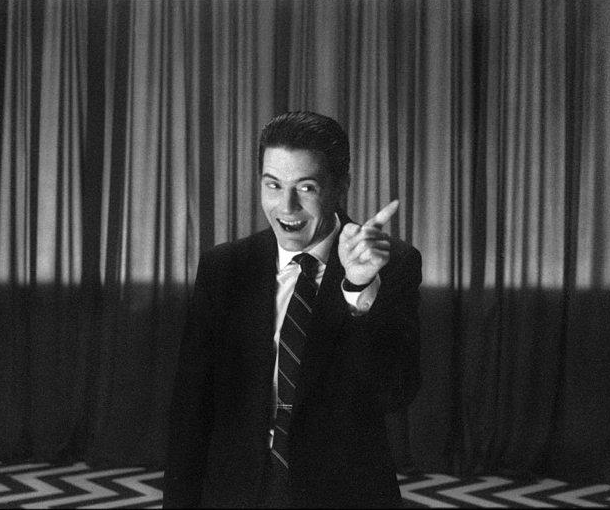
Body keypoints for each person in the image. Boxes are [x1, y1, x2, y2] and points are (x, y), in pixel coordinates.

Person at [164, 111, 421, 508]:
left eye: (306, 187)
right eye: (273, 185)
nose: (287, 206)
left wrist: (357, 288)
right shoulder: (225, 267)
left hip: (342, 496)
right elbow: (190, 411)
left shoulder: (392, 264)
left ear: (341, 187)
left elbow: (395, 391)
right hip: (236, 492)